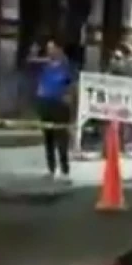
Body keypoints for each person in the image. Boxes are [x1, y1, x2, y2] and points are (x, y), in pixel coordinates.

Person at [36, 38, 74, 179]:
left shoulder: (66, 66)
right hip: (46, 105)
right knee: (48, 139)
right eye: (48, 48)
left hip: (60, 107)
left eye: (52, 48)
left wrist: (68, 100)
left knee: (61, 139)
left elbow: (70, 87)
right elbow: (41, 84)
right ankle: (51, 168)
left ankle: (65, 169)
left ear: (59, 49)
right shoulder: (45, 67)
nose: (49, 51)